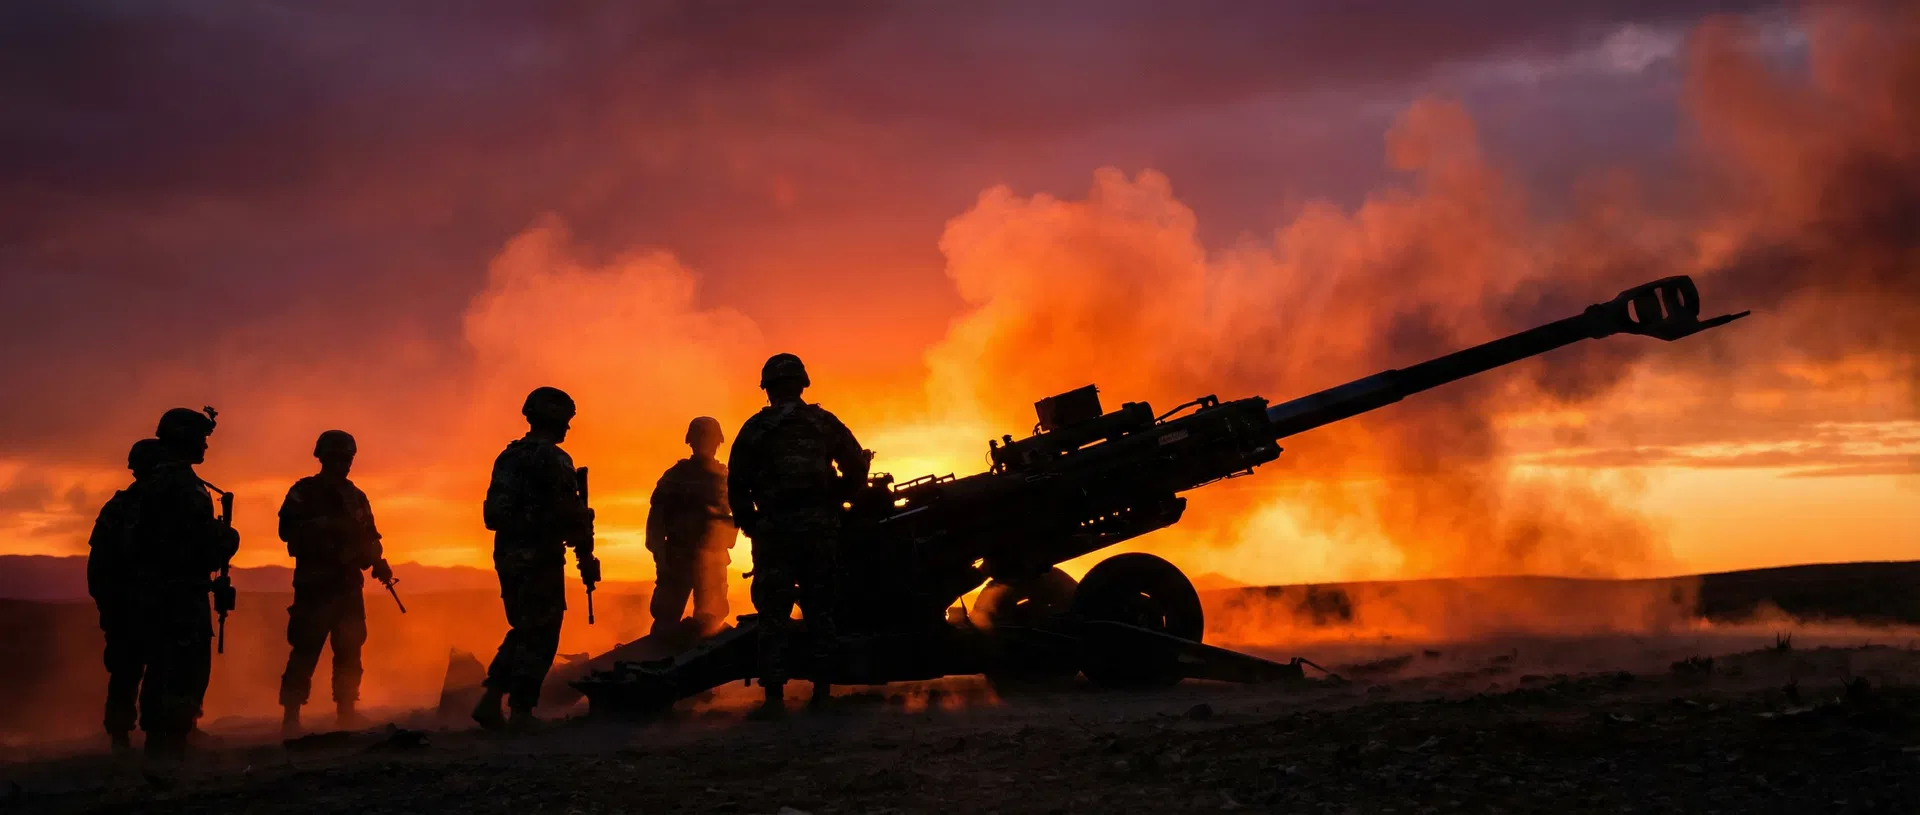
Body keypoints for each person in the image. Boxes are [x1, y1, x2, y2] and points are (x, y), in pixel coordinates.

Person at [728, 353, 868, 719]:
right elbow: (856, 463)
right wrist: (840, 501)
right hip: (819, 531)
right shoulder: (823, 422)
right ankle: (822, 694)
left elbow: (737, 484)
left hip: (774, 533)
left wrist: (753, 524)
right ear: (802, 384)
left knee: (773, 614)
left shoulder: (756, 428)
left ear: (768, 389)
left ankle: (774, 698)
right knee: (821, 609)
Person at [473, 387, 597, 731]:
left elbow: (493, 515)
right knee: (541, 632)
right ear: (554, 418)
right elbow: (570, 516)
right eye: (566, 421)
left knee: (524, 627)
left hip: (508, 555)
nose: (568, 428)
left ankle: (490, 699)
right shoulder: (554, 460)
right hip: (539, 556)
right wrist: (584, 553)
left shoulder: (508, 457)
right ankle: (521, 711)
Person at [131, 407, 239, 759]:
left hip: (163, 588)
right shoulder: (180, 485)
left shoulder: (161, 482)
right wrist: (226, 540)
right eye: (201, 438)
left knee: (166, 662)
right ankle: (173, 740)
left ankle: (165, 736)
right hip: (177, 590)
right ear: (183, 438)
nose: (205, 445)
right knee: (185, 664)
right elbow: (190, 541)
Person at [276, 430, 393, 736]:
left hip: (347, 586)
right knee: (305, 649)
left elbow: (370, 536)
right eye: (337, 457)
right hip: (315, 585)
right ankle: (291, 717)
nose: (343, 463)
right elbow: (287, 532)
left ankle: (346, 711)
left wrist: (377, 561)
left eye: (347, 458)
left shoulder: (357, 496)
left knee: (350, 648)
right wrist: (327, 528)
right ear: (323, 457)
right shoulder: (304, 492)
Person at [87, 437, 167, 753]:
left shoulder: (120, 506)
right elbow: (100, 566)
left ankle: (128, 737)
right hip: (138, 603)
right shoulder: (135, 508)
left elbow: (97, 567)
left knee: (133, 672)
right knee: (138, 670)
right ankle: (135, 737)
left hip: (137, 603)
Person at [645, 417, 737, 642]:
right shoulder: (676, 477)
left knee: (711, 624)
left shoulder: (725, 478)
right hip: (678, 556)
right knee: (666, 623)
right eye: (702, 439)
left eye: (710, 439)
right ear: (691, 442)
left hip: (712, 560)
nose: (707, 444)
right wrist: (661, 555)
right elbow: (656, 520)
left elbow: (734, 515)